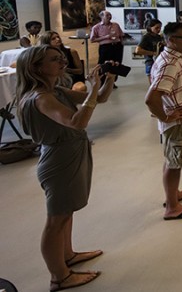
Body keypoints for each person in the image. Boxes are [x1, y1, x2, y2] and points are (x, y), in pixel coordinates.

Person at [16, 44, 116, 291]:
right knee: (56, 220)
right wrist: (93, 88)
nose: (62, 62)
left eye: (61, 58)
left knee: (66, 212)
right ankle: (59, 277)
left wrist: (108, 80)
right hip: (59, 160)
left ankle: (67, 255)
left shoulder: (55, 90)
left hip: (71, 153)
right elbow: (77, 121)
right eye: (54, 59)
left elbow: (100, 99)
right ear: (36, 68)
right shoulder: (41, 98)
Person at [144, 22, 182, 221]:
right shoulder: (170, 63)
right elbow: (151, 98)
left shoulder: (177, 56)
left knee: (173, 159)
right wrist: (166, 117)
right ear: (171, 40)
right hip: (179, 122)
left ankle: (173, 194)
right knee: (174, 163)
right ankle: (172, 207)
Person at [135, 19, 163, 83]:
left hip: (158, 61)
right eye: (156, 28)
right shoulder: (146, 37)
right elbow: (138, 50)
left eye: (160, 27)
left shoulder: (158, 37)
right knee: (152, 83)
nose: (159, 29)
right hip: (150, 62)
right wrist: (153, 53)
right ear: (150, 27)